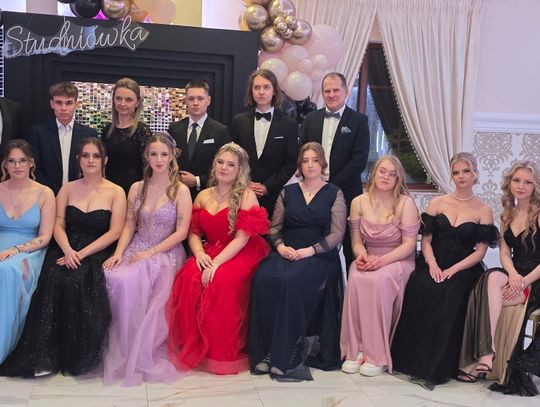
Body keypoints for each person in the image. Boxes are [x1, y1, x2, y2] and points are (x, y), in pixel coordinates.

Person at [0, 138, 126, 377]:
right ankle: (44, 354)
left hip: (96, 249)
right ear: (78, 160)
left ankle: (75, 354)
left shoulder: (116, 191)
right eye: (85, 156)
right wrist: (67, 250)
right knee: (51, 276)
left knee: (77, 280)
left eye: (96, 156)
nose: (90, 161)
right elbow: (58, 224)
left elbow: (115, 232)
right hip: (66, 246)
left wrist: (82, 254)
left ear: (105, 160)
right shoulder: (67, 188)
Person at [390, 152, 498, 388]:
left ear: (475, 173)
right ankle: (410, 358)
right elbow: (426, 241)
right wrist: (433, 264)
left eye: (466, 171)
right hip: (433, 261)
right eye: (456, 172)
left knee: (449, 294)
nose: (461, 176)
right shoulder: (438, 203)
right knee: (421, 287)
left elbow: (480, 252)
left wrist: (453, 270)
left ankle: (440, 364)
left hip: (464, 267)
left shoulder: (483, 209)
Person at [166, 142, 270, 374]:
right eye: (220, 162)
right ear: (214, 166)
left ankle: (219, 349)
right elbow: (194, 233)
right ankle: (195, 345)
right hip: (210, 249)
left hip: (242, 251)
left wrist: (216, 263)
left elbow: (242, 239)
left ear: (239, 170)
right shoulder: (203, 195)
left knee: (221, 281)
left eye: (230, 165)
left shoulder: (246, 195)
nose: (224, 167)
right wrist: (200, 254)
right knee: (190, 276)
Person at [249, 142, 347, 382]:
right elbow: (274, 227)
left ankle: (288, 353)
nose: (310, 165)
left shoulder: (334, 193)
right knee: (263, 278)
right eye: (305, 160)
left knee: (291, 281)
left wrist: (310, 251)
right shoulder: (288, 192)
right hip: (287, 250)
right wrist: (281, 247)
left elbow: (337, 234)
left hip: (319, 254)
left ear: (322, 164)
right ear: (299, 165)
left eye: (315, 160)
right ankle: (269, 350)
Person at [102, 133, 192, 386]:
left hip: (165, 252)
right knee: (114, 276)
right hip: (137, 246)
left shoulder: (180, 190)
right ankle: (123, 345)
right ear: (146, 156)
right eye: (154, 154)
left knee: (135, 280)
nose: (159, 159)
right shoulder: (136, 187)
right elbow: (129, 225)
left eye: (164, 154)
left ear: (172, 156)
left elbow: (181, 233)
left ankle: (142, 349)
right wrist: (119, 253)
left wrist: (151, 254)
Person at [458, 161, 540, 396]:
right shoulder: (507, 214)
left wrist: (524, 281)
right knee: (490, 278)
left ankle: (481, 359)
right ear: (509, 183)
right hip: (516, 272)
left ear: (535, 186)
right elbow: (505, 253)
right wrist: (513, 274)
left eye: (527, 182)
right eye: (516, 180)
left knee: (488, 297)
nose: (521, 186)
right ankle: (488, 350)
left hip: (535, 278)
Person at [340, 155, 419, 377]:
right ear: (374, 172)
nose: (386, 177)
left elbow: (409, 245)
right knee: (356, 276)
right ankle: (356, 349)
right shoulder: (358, 202)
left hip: (398, 259)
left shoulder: (405, 203)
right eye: (383, 171)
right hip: (370, 257)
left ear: (398, 179)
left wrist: (383, 261)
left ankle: (377, 355)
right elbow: (356, 242)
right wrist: (362, 256)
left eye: (392, 174)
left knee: (378, 280)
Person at [301, 72, 370, 268]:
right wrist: (316, 185)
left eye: (335, 90)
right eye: (327, 91)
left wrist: (330, 187)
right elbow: (303, 154)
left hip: (347, 193)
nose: (331, 95)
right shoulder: (310, 119)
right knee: (314, 243)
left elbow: (359, 161)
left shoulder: (359, 121)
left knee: (349, 245)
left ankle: (351, 286)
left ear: (346, 92)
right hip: (313, 193)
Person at [0, 140, 55, 363]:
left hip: (29, 250)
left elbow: (45, 236)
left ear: (31, 163)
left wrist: (15, 250)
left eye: (22, 160)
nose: (17, 166)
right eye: (12, 161)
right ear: (5, 165)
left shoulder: (45, 193)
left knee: (7, 271)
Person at [231, 68, 298, 218]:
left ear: (274, 91)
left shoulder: (289, 124)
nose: (261, 92)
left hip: (274, 196)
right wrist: (245, 183)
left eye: (266, 87)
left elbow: (291, 162)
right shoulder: (238, 121)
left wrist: (268, 186)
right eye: (257, 87)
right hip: (242, 193)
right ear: (251, 91)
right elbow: (233, 158)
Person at [29, 82, 98, 195]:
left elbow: (92, 168)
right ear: (52, 104)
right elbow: (34, 169)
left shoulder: (89, 134)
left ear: (76, 104)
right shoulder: (39, 133)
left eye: (69, 103)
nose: (63, 108)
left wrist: (74, 192)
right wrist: (55, 193)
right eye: (59, 103)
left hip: (80, 195)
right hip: (47, 195)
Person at [168, 80, 231, 201]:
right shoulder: (174, 129)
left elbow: (225, 167)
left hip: (208, 196)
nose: (195, 103)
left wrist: (197, 180)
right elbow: (168, 162)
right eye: (191, 99)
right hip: (176, 194)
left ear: (208, 100)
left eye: (200, 98)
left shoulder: (221, 131)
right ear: (186, 101)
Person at [102, 77, 152, 195]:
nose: (122, 103)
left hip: (134, 192)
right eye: (118, 98)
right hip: (108, 191)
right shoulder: (106, 130)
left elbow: (148, 168)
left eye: (128, 99)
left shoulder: (142, 131)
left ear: (137, 102)